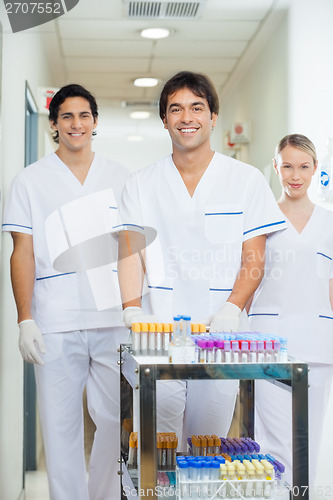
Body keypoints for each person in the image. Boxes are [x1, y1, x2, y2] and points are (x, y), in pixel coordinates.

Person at [117, 71, 287, 449]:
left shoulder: (244, 180)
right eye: (176, 109)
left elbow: (254, 255)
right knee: (159, 451)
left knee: (205, 446)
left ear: (213, 117)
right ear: (165, 120)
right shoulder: (141, 184)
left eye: (197, 107)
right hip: (159, 335)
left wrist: (232, 306)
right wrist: (132, 309)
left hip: (220, 337)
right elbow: (130, 251)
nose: (186, 117)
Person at [2, 84, 130, 500]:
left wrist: (137, 308)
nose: (76, 124)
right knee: (60, 426)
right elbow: (22, 253)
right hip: (55, 321)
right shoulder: (30, 181)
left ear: (95, 122)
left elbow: (133, 249)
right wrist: (25, 318)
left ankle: (106, 495)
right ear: (54, 124)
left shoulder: (122, 178)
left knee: (115, 421)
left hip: (113, 318)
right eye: (67, 117)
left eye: (84, 115)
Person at [248, 134, 333, 490]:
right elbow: (249, 274)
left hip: (317, 342)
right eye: (287, 166)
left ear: (315, 169)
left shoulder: (329, 222)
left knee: (306, 443)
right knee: (273, 445)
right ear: (275, 166)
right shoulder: (261, 218)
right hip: (270, 342)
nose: (295, 175)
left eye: (303, 167)